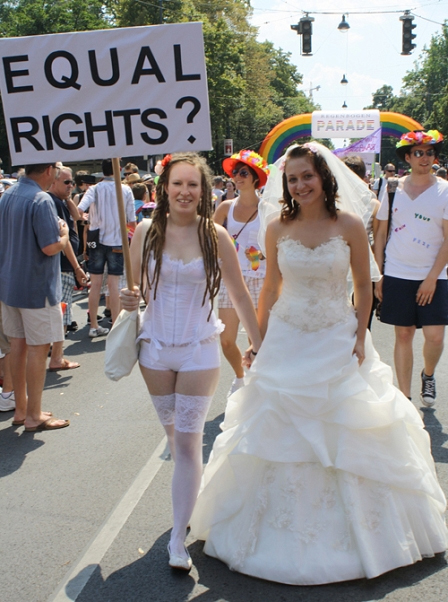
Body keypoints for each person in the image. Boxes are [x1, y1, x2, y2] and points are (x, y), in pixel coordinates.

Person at [190, 142, 447, 584]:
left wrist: (360, 335)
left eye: (306, 176)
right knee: (273, 424)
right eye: (292, 179)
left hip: (336, 336)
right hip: (288, 335)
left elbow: (364, 287)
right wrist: (260, 339)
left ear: (323, 177)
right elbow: (270, 287)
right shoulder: (276, 226)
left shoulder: (347, 224)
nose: (300, 185)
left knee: (348, 426)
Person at [120, 152, 262, 572]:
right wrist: (126, 299)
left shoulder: (216, 236)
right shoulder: (145, 231)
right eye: (177, 183)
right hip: (156, 350)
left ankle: (178, 540)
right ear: (164, 187)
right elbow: (132, 292)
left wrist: (261, 346)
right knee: (175, 440)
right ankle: (195, 497)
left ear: (204, 191)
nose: (184, 191)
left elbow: (239, 294)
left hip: (200, 347)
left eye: (193, 185)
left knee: (186, 442)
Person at [375, 130, 448, 407]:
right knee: (403, 334)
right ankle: (404, 397)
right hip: (397, 271)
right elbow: (381, 232)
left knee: (435, 337)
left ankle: (428, 374)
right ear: (408, 157)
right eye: (418, 152)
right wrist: (378, 273)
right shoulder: (392, 188)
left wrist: (431, 278)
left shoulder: (444, 190)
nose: (425, 157)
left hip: (434, 274)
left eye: (430, 152)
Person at [0, 163, 70, 431]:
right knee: (38, 349)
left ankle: (22, 410)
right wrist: (63, 235)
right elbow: (51, 247)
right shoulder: (41, 199)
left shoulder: (10, 193)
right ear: (50, 170)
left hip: (10, 284)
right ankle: (33, 414)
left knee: (18, 347)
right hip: (35, 286)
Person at [214, 150, 269, 396]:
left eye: (243, 172)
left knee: (255, 340)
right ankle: (240, 376)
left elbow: (279, 244)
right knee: (226, 339)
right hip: (232, 278)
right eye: (235, 172)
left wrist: (259, 256)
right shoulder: (226, 207)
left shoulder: (269, 208)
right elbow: (209, 238)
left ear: (256, 177)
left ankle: (256, 385)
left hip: (261, 278)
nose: (237, 177)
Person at [78, 159, 136, 337]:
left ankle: (94, 325)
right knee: (115, 284)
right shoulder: (125, 190)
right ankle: (115, 325)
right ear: (118, 169)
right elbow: (132, 221)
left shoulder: (94, 189)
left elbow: (80, 209)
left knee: (94, 284)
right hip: (117, 240)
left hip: (96, 239)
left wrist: (90, 219)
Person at [48, 166, 87, 370]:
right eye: (66, 182)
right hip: (62, 265)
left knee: (61, 311)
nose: (70, 186)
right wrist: (77, 267)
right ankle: (56, 357)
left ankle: (56, 355)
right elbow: (64, 240)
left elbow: (77, 217)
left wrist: (68, 196)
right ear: (52, 181)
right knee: (61, 312)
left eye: (72, 182)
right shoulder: (52, 202)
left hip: (62, 265)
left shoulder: (60, 201)